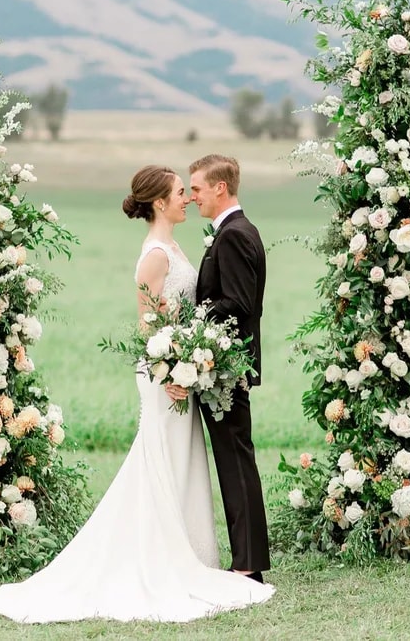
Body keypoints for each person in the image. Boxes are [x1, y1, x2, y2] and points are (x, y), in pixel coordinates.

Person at [0, 165, 274, 623]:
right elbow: (149, 325)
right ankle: (158, 558)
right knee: (161, 460)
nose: (186, 198)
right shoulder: (155, 255)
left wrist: (190, 351)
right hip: (166, 374)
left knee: (183, 462)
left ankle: (190, 553)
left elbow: (190, 307)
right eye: (181, 192)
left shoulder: (178, 245)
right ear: (160, 203)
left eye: (191, 190)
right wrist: (173, 362)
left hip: (183, 368)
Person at [186, 154, 270, 584]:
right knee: (235, 461)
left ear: (221, 187)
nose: (192, 195)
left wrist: (191, 320)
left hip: (226, 370)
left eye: (197, 187)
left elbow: (237, 305)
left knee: (236, 464)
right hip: (223, 367)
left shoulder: (234, 236)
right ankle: (248, 561)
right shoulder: (235, 231)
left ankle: (248, 566)